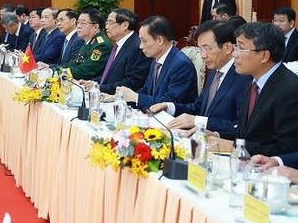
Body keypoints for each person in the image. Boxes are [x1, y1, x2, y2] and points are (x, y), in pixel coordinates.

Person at [212, 22, 298, 156]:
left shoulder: (290, 90)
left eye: (241, 48)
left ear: (264, 56)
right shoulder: (254, 82)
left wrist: (234, 146)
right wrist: (216, 135)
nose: (235, 54)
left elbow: (286, 150)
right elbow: (247, 133)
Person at [148, 20, 250, 132]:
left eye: (207, 49)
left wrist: (198, 121)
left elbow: (239, 126)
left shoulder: (244, 77)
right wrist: (169, 107)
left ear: (227, 48)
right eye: (200, 49)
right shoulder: (215, 70)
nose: (202, 56)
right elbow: (198, 107)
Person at [116, 15, 198, 111]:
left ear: (159, 40)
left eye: (144, 41)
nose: (140, 46)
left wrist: (136, 97)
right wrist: (120, 98)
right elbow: (147, 90)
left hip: (173, 121)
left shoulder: (181, 65)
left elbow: (169, 102)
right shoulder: (156, 59)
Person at [93, 8, 149, 94]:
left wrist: (100, 87)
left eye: (110, 22)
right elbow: (109, 74)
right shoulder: (118, 44)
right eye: (106, 22)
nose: (106, 26)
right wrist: (94, 83)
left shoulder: (136, 47)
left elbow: (133, 82)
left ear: (125, 25)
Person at [62, 8, 111, 80]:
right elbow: (76, 62)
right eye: (78, 22)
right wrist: (55, 68)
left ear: (96, 27)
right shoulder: (89, 41)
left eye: (83, 23)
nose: (78, 26)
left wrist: (61, 72)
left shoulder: (101, 45)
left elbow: (86, 71)